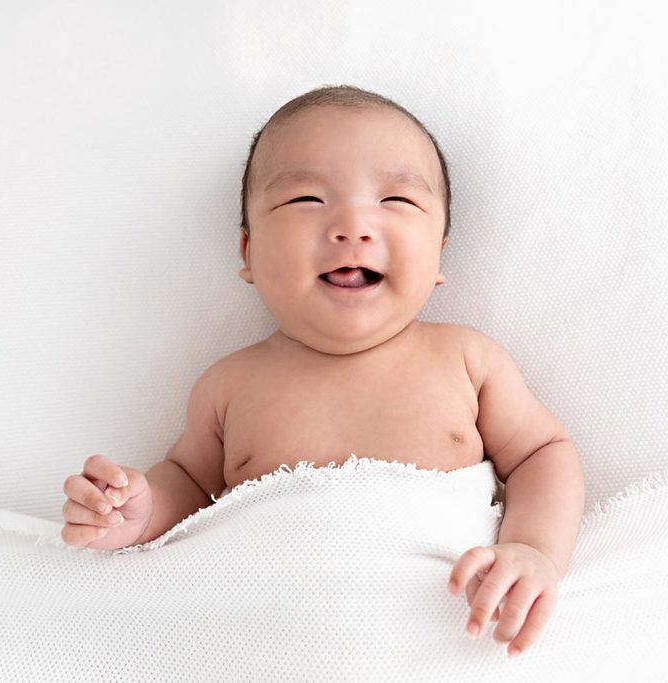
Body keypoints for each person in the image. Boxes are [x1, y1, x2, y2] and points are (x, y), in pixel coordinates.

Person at [60, 84, 585, 657]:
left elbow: (542, 453)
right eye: (306, 199)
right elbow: (187, 483)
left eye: (396, 202)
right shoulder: (230, 385)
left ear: (439, 252)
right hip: (260, 638)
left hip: (443, 633)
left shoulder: (465, 360)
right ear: (248, 252)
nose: (352, 226)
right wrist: (136, 511)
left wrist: (534, 550)